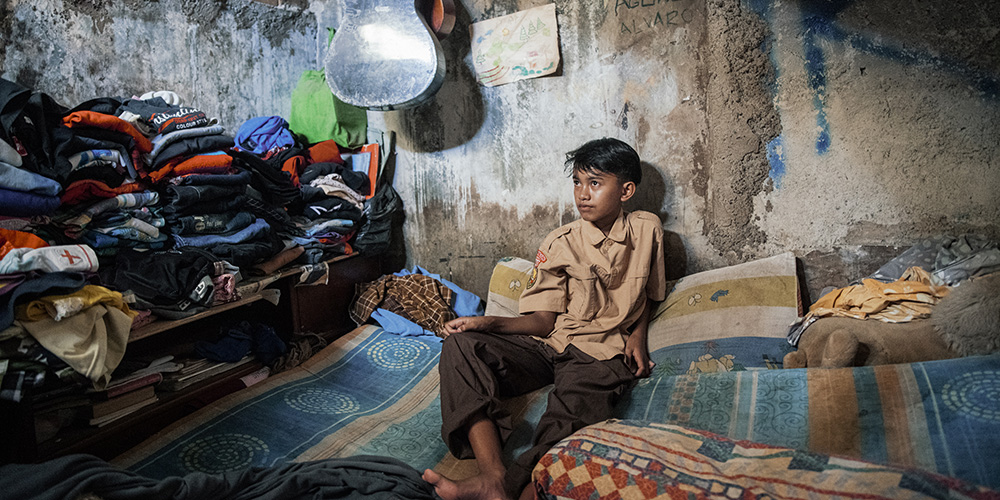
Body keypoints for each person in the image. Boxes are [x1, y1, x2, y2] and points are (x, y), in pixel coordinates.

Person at [422, 137, 667, 500]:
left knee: (570, 417)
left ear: (626, 190)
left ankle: (525, 487)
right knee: (461, 346)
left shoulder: (647, 230)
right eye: (577, 182)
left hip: (599, 354)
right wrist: (488, 323)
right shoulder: (560, 241)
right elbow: (542, 321)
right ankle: (491, 474)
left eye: (595, 183)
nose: (582, 194)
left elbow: (649, 294)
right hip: (549, 346)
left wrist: (636, 335)